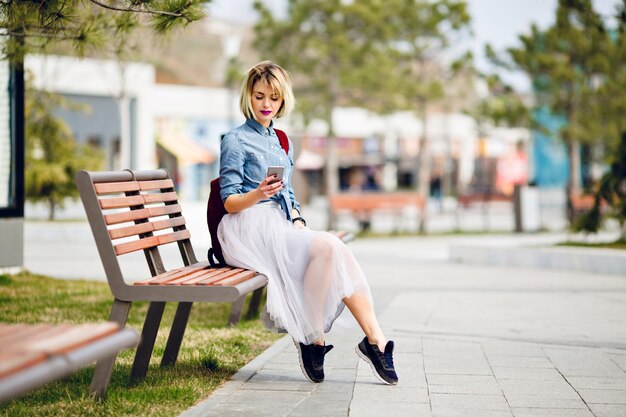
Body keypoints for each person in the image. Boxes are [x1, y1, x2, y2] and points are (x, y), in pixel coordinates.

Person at [217, 61, 398, 385]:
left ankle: (372, 340)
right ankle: (322, 340)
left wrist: (298, 219)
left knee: (331, 249)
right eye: (259, 96)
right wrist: (258, 193)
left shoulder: (281, 140)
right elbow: (228, 201)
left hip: (279, 223)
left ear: (283, 100)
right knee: (330, 245)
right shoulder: (235, 139)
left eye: (273, 97)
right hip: (246, 225)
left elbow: (287, 194)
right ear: (248, 96)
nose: (266, 104)